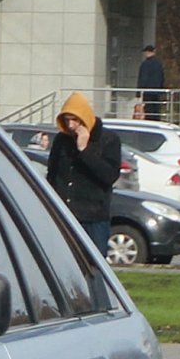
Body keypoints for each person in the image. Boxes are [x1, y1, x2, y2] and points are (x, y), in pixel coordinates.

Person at [46, 91, 122, 257]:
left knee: (93, 266)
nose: (71, 125)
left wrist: (84, 150)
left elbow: (109, 176)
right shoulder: (62, 140)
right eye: (67, 120)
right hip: (64, 215)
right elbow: (52, 173)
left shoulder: (109, 139)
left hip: (93, 218)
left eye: (75, 120)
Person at [137, 44, 165, 121]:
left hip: (147, 91)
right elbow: (162, 78)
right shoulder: (158, 64)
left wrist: (139, 92)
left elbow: (143, 78)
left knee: (149, 112)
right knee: (156, 111)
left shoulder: (145, 64)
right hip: (157, 91)